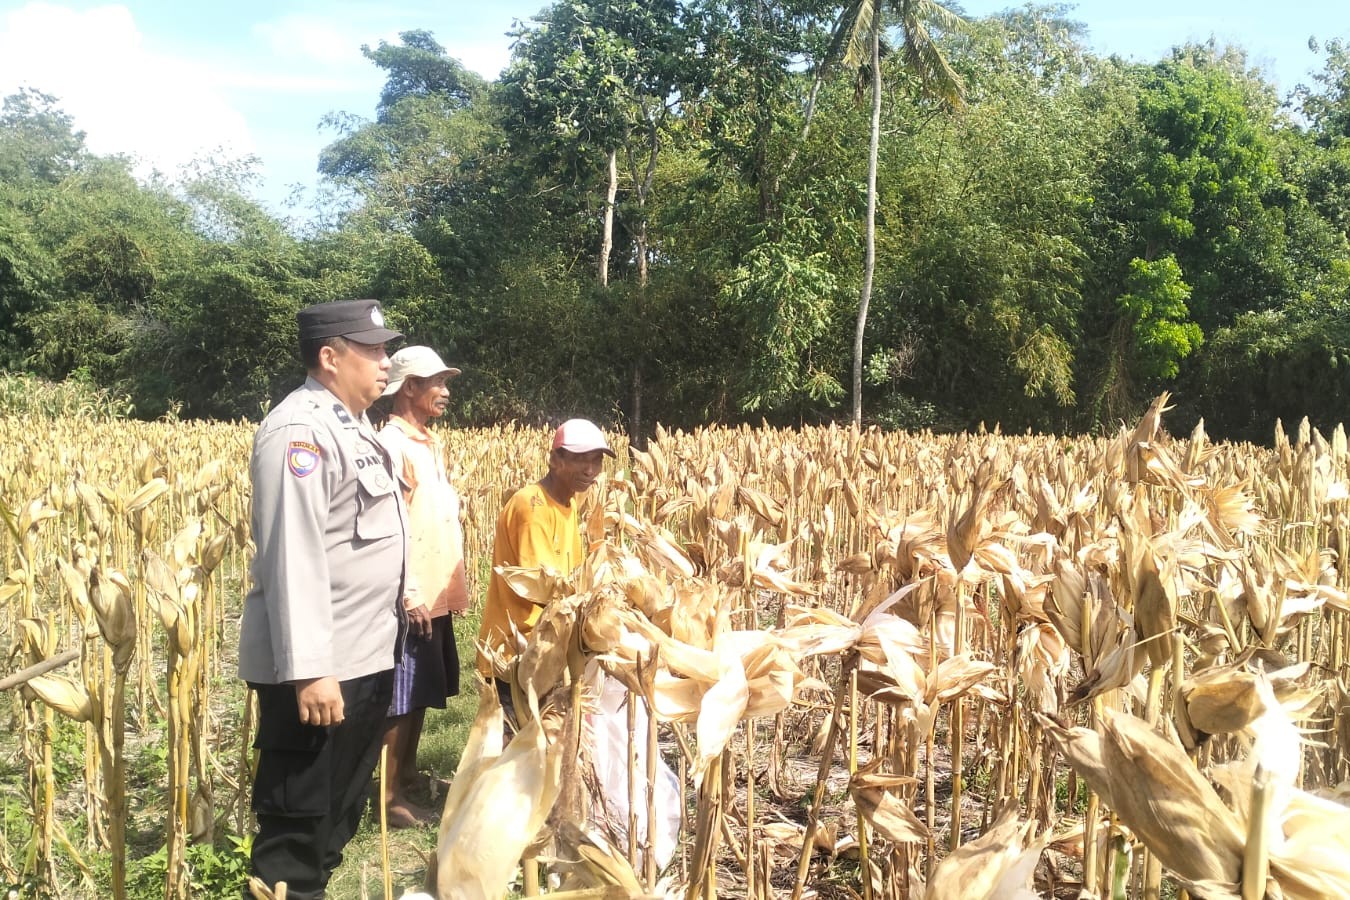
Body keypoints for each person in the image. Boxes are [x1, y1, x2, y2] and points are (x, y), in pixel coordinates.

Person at [238, 299, 407, 900]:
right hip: (319, 674)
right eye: (373, 349)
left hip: (362, 660)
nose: (386, 361)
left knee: (334, 821)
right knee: (296, 834)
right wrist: (310, 670)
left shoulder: (353, 426)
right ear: (330, 358)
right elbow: (294, 555)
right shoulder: (299, 431)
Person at [374, 346, 468, 828]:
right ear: (409, 387)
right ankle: (388, 798)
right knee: (403, 695)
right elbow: (393, 526)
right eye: (438, 382)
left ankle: (407, 773)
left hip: (434, 591)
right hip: (413, 593)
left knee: (424, 687)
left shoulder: (425, 442)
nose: (446, 391)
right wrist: (408, 592)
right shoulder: (392, 445)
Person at [475, 418, 614, 714]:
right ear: (555, 460)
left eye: (596, 461)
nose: (590, 470)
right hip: (519, 655)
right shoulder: (532, 507)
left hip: (547, 649)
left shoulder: (568, 503)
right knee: (515, 753)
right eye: (579, 460)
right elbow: (547, 588)